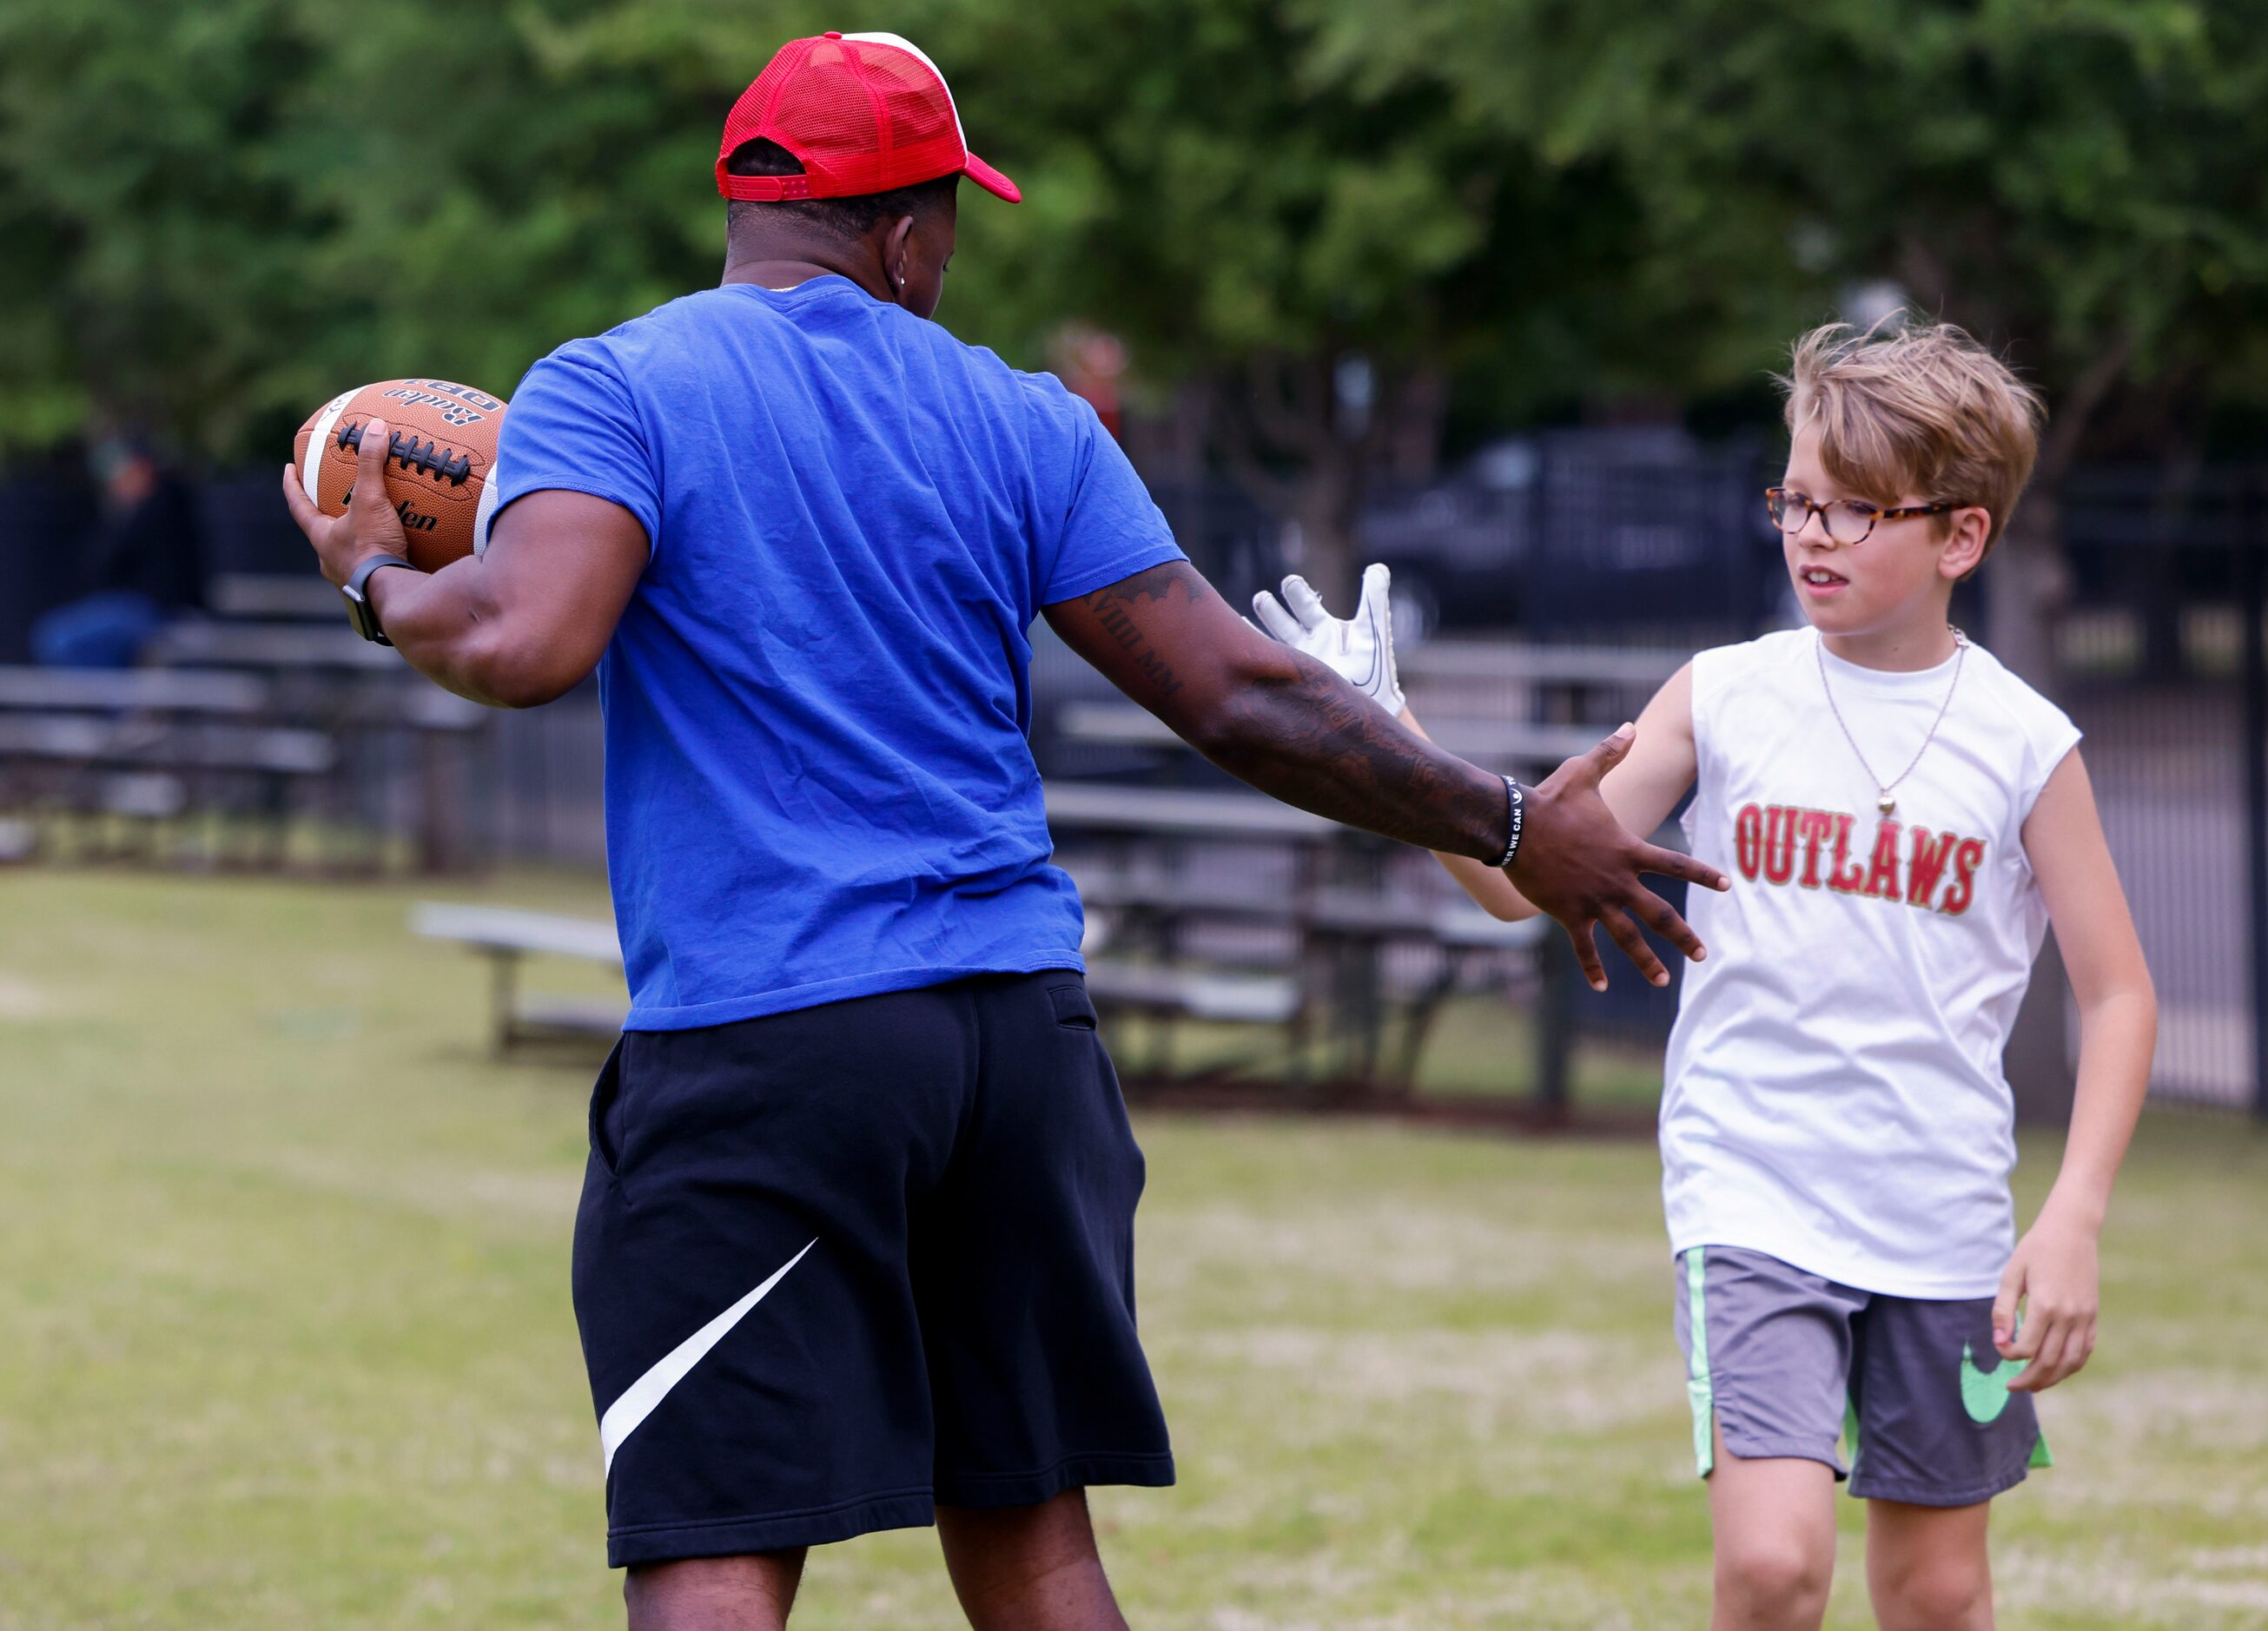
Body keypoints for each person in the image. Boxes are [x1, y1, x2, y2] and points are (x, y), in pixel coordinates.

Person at [281, 30, 1724, 1631]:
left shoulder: (617, 385)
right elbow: (1242, 695)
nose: (948, 260)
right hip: (1018, 1042)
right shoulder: (1020, 417)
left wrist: (372, 581)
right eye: (949, 226)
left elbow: (523, 640)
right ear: (903, 232)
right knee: (1037, 1545)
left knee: (719, 1543)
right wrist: (1514, 820)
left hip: (776, 1039)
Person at [1263, 320, 2158, 1631]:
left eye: (1857, 510)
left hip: (1945, 1217)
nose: (1814, 534)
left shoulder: (2027, 743)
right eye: (1798, 501)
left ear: (1961, 537)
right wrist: (1385, 735)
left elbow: (2120, 992)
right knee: (1774, 1568)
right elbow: (1523, 878)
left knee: (1939, 1593)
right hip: (1755, 1197)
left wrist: (2073, 1214)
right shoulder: (1724, 695)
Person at [31, 433, 205, 669]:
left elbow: (107, 560)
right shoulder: (157, 505)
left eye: (123, 472)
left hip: (158, 611)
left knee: (58, 639)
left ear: (142, 467)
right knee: (70, 639)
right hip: (141, 607)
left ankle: (117, 704)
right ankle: (119, 703)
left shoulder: (163, 505)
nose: (117, 481)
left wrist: (121, 510)